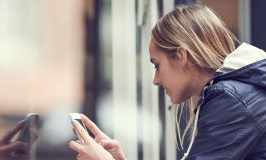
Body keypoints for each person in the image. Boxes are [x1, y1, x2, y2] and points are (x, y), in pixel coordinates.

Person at [69, 4, 266, 160]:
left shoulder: (232, 99)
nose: (156, 80)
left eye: (156, 65)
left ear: (181, 56)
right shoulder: (236, 92)